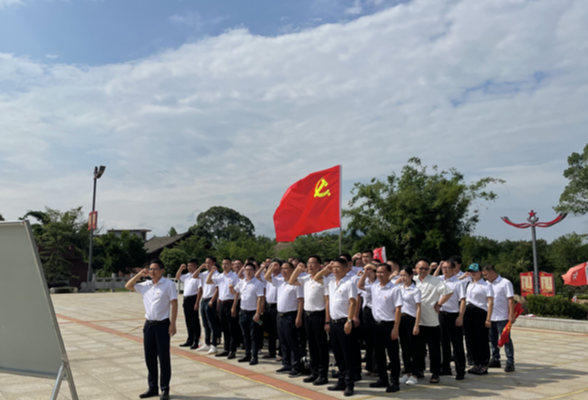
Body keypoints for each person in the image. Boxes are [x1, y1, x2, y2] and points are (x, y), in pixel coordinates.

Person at [125, 260, 178, 400]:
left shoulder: (169, 284)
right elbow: (128, 286)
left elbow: (174, 303)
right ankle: (152, 387)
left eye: (155, 269)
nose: (152, 271)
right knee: (150, 358)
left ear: (162, 270)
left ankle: (165, 389)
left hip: (162, 325)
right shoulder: (145, 285)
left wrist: (173, 324)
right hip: (148, 325)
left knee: (164, 358)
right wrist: (139, 275)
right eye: (150, 269)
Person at [314, 258, 358, 397]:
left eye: (338, 267)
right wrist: (327, 268)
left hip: (345, 321)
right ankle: (341, 381)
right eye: (334, 267)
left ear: (346, 269)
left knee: (347, 355)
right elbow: (316, 277)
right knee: (338, 354)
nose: (335, 269)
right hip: (333, 323)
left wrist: (349, 320)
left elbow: (353, 303)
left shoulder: (349, 283)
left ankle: (349, 384)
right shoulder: (331, 282)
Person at [358, 263, 403, 393]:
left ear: (389, 273)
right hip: (375, 325)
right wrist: (366, 272)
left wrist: (396, 328)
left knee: (393, 355)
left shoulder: (395, 289)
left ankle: (395, 381)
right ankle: (383, 378)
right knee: (379, 354)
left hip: (389, 325)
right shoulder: (374, 286)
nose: (379, 274)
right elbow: (360, 286)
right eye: (377, 272)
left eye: (382, 272)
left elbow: (398, 309)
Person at [289, 255, 330, 386]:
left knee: (321, 346)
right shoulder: (306, 279)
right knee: (311, 345)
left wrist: (327, 320)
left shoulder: (324, 280)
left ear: (319, 265)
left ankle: (323, 374)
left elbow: (328, 301)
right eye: (308, 263)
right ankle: (314, 372)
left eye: (313, 263)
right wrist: (298, 269)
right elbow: (291, 281)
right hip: (308, 315)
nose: (310, 266)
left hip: (319, 315)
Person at [414, 258, 453, 384]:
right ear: (416, 269)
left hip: (432, 321)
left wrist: (439, 304)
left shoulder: (435, 281)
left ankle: (435, 373)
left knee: (434, 350)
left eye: (426, 268)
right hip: (417, 321)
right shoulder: (413, 280)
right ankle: (419, 370)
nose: (423, 271)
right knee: (418, 350)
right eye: (421, 268)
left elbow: (448, 292)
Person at [265, 260, 304, 377]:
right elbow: (267, 277)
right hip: (280, 315)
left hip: (291, 315)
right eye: (282, 268)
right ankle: (286, 364)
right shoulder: (280, 281)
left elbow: (300, 301)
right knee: (283, 342)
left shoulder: (296, 283)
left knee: (293, 342)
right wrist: (272, 267)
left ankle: (296, 366)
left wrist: (298, 317)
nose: (283, 270)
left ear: (292, 270)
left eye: (286, 268)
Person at [229, 262, 265, 365]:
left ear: (254, 271)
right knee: (245, 335)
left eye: (250, 270)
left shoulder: (258, 283)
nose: (248, 272)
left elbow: (260, 299)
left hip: (253, 312)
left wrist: (258, 313)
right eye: (246, 270)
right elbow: (234, 292)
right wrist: (231, 288)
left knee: (254, 335)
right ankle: (247, 354)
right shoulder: (242, 282)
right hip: (243, 312)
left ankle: (254, 356)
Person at [482, 264, 516, 372]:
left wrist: (511, 315)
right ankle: (495, 358)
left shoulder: (505, 283)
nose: (485, 277)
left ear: (492, 272)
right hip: (490, 317)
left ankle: (510, 361)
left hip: (503, 316)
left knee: (505, 339)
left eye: (486, 275)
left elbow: (511, 299)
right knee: (492, 339)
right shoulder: (486, 284)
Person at [464, 263, 494, 375]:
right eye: (471, 271)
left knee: (481, 340)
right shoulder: (468, 283)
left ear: (480, 272)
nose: (473, 273)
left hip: (480, 313)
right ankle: (475, 363)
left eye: (475, 271)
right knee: (470, 339)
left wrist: (488, 319)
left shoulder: (486, 285)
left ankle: (483, 364)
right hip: (468, 312)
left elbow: (490, 302)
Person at [439, 260, 467, 380]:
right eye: (443, 267)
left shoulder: (458, 283)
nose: (444, 270)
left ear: (453, 269)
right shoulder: (440, 280)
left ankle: (460, 369)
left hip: (453, 315)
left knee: (457, 344)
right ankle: (445, 368)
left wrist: (460, 317)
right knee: (444, 343)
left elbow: (463, 301)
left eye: (447, 268)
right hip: (441, 314)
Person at [207, 257, 240, 359]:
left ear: (231, 265)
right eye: (223, 264)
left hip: (230, 303)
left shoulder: (234, 277)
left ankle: (232, 350)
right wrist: (212, 272)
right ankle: (226, 349)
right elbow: (208, 282)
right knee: (224, 327)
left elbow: (237, 293)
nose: (224, 266)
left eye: (227, 264)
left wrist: (234, 307)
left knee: (232, 328)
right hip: (221, 303)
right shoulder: (220, 276)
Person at [398, 266, 421, 386]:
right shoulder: (399, 288)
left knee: (414, 348)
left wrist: (416, 324)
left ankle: (414, 374)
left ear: (411, 276)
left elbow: (418, 308)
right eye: (401, 275)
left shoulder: (415, 290)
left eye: (405, 275)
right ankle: (406, 372)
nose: (402, 278)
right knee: (404, 347)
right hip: (400, 319)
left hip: (411, 319)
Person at [194, 256, 220, 354]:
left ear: (214, 263)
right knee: (205, 324)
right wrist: (200, 267)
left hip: (210, 300)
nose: (207, 264)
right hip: (204, 300)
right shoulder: (204, 273)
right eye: (206, 262)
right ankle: (207, 343)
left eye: (209, 262)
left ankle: (214, 345)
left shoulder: (217, 274)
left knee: (212, 324)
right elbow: (194, 276)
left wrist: (212, 301)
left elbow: (218, 289)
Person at [175, 259, 202, 350]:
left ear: (195, 266)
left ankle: (196, 340)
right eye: (188, 265)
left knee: (194, 321)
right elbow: (177, 277)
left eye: (191, 265)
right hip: (186, 299)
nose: (189, 267)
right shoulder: (187, 276)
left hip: (193, 299)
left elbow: (200, 290)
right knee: (188, 321)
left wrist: (197, 302)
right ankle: (189, 339)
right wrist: (181, 268)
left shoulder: (198, 276)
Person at [261, 259, 281, 359]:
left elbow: (266, 276)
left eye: (275, 265)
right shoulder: (270, 277)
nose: (273, 267)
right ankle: (271, 351)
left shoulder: (281, 278)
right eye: (271, 265)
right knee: (271, 331)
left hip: (277, 307)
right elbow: (263, 277)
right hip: (269, 306)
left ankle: (281, 353)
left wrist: (271, 267)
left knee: (279, 331)